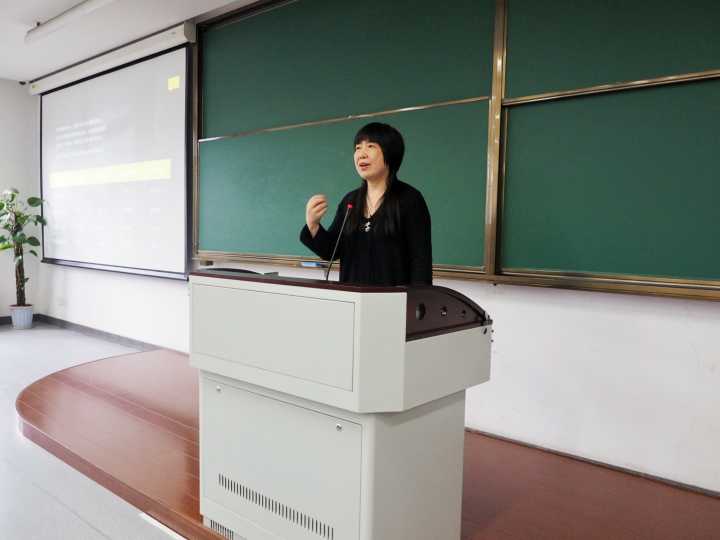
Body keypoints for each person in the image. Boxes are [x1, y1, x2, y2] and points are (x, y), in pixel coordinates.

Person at [300, 122, 432, 286]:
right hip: (352, 297)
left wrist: (416, 300)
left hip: (393, 299)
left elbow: (421, 261)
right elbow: (331, 251)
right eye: (357, 148)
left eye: (370, 146)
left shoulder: (409, 199)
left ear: (390, 153)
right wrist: (313, 224)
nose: (361, 154)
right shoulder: (350, 201)